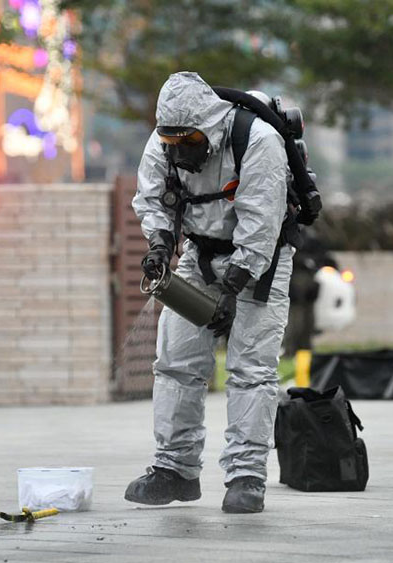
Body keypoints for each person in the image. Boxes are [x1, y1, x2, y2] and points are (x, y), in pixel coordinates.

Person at [126, 72, 318, 513]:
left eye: (188, 140)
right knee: (175, 361)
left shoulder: (258, 140)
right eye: (171, 140)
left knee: (251, 367)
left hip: (262, 256)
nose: (179, 149)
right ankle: (175, 469)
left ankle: (247, 477)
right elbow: (152, 200)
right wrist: (158, 245)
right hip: (199, 250)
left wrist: (232, 289)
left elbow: (261, 224)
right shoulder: (164, 142)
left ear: (209, 127)